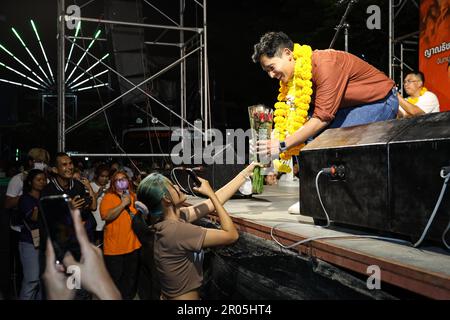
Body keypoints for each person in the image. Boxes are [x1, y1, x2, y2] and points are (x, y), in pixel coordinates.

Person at [252, 31, 399, 157]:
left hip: (380, 101)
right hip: (346, 108)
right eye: (267, 71)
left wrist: (282, 144)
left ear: (288, 54)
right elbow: (297, 118)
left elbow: (322, 118)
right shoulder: (293, 80)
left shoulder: (325, 64)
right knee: (311, 141)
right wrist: (277, 135)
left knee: (333, 143)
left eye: (272, 67)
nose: (271, 75)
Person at [136, 163, 257, 300]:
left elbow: (212, 204)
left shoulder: (170, 222)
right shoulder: (177, 231)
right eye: (172, 186)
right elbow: (231, 235)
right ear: (166, 199)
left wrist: (245, 173)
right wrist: (210, 193)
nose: (177, 186)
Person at [42, 208, 121, 300]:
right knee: (74, 289)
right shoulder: (65, 224)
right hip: (72, 259)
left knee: (84, 292)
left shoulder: (88, 217)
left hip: (86, 260)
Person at [99, 171, 141, 300]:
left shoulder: (133, 196)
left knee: (130, 281)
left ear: (128, 181)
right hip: (114, 250)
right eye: (117, 180)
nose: (121, 181)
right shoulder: (108, 197)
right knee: (115, 282)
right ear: (113, 183)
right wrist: (123, 204)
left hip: (133, 246)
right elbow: (106, 215)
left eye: (123, 179)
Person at [17, 169, 47, 299]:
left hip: (44, 242)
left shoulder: (46, 196)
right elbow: (33, 218)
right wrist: (40, 205)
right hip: (29, 242)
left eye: (44, 179)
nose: (42, 182)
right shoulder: (25, 198)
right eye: (38, 180)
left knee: (42, 281)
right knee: (32, 280)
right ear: (30, 182)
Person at [89, 164, 110, 245]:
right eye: (102, 176)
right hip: (96, 223)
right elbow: (89, 203)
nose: (105, 179)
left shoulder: (110, 185)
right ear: (96, 176)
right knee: (97, 245)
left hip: (107, 222)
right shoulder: (90, 186)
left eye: (107, 176)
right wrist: (98, 193)